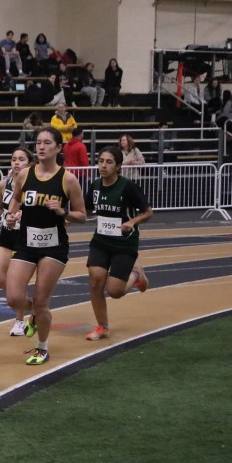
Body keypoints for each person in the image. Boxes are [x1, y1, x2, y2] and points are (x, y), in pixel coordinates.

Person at [4, 125, 87, 365]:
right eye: (38, 142)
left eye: (47, 143)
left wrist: (63, 212)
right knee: (13, 298)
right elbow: (16, 200)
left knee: (41, 301)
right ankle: (35, 315)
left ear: (58, 148)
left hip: (53, 245)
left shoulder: (67, 179)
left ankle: (42, 347)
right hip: (26, 242)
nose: (41, 147)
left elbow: (82, 215)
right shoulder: (24, 175)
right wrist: (11, 216)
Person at [84, 146, 153, 341]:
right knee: (95, 281)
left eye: (109, 162)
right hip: (101, 240)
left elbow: (148, 212)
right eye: (101, 161)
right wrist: (66, 216)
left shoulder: (127, 186)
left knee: (114, 291)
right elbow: (86, 211)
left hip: (124, 243)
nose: (103, 166)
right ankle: (102, 327)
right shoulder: (95, 186)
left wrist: (132, 222)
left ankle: (136, 273)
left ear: (118, 166)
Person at [0, 146, 35, 335]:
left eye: (21, 159)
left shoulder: (34, 185)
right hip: (7, 235)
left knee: (17, 283)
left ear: (29, 164)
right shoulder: (3, 184)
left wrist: (25, 214)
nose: (16, 163)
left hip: (25, 238)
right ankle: (31, 304)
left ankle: (19, 320)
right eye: (14, 159)